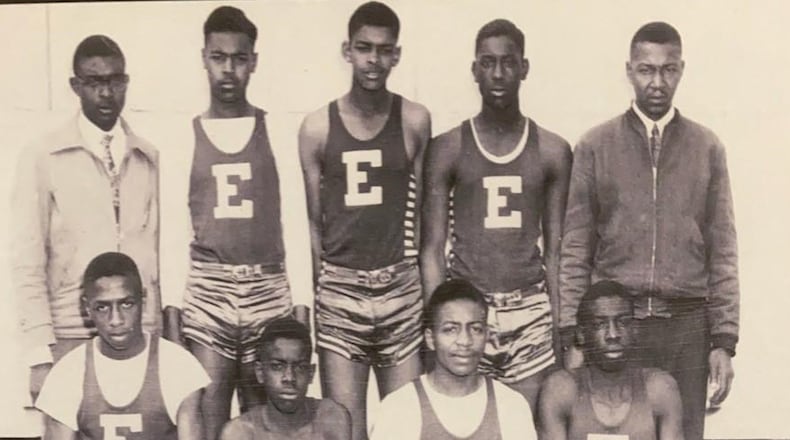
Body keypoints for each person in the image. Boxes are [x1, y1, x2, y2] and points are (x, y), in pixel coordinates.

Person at [559, 21, 738, 440]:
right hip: (618, 324)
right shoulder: (595, 145)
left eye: (668, 69)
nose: (657, 81)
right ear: (629, 70)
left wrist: (723, 341)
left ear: (681, 70)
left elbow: (724, 249)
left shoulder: (707, 147)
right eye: (646, 69)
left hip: (688, 325)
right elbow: (575, 248)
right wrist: (573, 333)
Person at [159, 6, 311, 440]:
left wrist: (300, 310)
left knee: (270, 425)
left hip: (268, 289)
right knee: (205, 418)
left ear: (254, 62)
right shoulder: (183, 135)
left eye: (239, 58)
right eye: (218, 57)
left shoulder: (278, 130)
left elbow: (294, 225)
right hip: (209, 292)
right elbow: (173, 233)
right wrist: (174, 318)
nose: (228, 69)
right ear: (203, 58)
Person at [420, 18, 572, 409]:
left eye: (508, 62)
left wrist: (561, 326)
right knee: (466, 424)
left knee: (528, 425)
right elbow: (432, 250)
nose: (499, 73)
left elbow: (557, 251)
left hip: (529, 311)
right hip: (471, 310)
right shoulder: (448, 147)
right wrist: (441, 324)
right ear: (475, 70)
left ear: (524, 67)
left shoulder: (553, 150)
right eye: (488, 63)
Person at [298, 2, 431, 439]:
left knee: (405, 426)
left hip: (399, 287)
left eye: (383, 50)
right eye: (364, 48)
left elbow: (425, 218)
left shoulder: (414, 119)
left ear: (397, 55)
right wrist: (325, 293)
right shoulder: (316, 126)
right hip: (341, 290)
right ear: (347, 51)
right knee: (344, 427)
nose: (373, 60)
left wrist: (422, 296)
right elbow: (315, 225)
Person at [10, 34, 161, 405]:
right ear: (75, 86)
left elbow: (157, 252)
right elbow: (26, 259)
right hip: (70, 330)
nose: (106, 94)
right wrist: (39, 354)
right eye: (94, 83)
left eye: (114, 81)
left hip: (137, 332)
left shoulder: (147, 155)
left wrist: (160, 333)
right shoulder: (44, 156)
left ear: (126, 82)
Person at [35, 252, 209, 440]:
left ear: (143, 299)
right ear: (87, 307)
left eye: (126, 304)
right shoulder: (68, 372)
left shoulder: (178, 365)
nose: (116, 320)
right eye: (102, 307)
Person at [370, 279, 536, 440]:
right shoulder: (400, 407)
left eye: (475, 329)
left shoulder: (510, 405)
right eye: (450, 330)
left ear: (487, 335)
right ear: (430, 338)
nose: (464, 341)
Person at [540, 280, 683, 440]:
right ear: (581, 335)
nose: (613, 335)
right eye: (600, 324)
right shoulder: (561, 390)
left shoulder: (660, 389)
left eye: (622, 322)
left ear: (634, 330)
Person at [220, 317, 351, 439]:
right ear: (260, 372)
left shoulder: (331, 419)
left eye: (300, 367)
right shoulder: (239, 433)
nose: (289, 377)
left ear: (311, 373)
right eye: (277, 366)